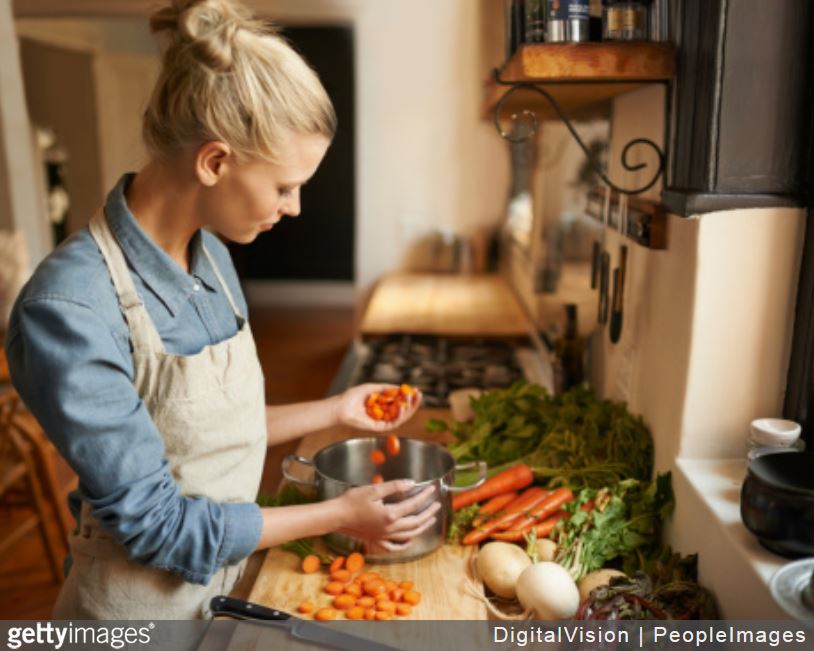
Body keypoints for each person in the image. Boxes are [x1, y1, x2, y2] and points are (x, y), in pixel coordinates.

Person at [4, 0, 439, 620]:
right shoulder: (70, 307)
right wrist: (342, 515)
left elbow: (199, 429)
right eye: (284, 187)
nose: (293, 208)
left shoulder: (211, 256)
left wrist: (336, 409)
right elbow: (157, 527)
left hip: (226, 592)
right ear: (213, 161)